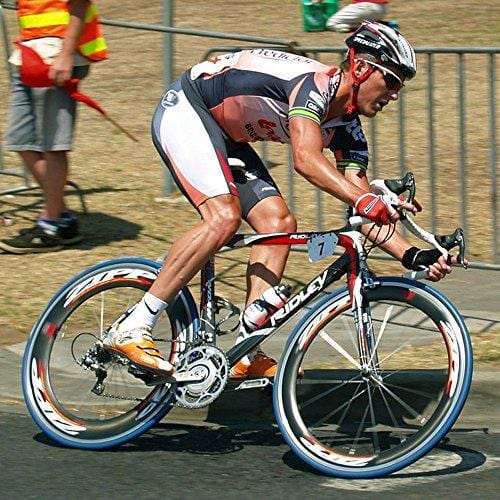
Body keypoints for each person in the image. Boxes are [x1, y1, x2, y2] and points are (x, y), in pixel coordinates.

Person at [103, 21, 461, 380]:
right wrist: (365, 200)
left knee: (278, 223)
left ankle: (245, 351)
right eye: (392, 81)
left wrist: (413, 255)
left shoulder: (349, 130)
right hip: (188, 108)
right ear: (361, 68)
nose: (395, 95)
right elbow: (306, 159)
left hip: (225, 135)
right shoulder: (314, 86)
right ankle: (133, 326)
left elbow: (360, 205)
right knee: (223, 217)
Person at [0, 0, 107, 254]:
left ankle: (51, 225)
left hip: (56, 54)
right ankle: (62, 218)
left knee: (53, 145)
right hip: (29, 52)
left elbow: (79, 5)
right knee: (21, 140)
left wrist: (66, 55)